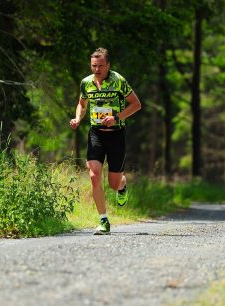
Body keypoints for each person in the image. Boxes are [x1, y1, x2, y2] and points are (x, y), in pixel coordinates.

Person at [70, 47, 141, 235]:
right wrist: (78, 118)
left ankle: (122, 184)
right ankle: (103, 221)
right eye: (94, 65)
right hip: (96, 134)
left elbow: (136, 104)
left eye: (101, 65)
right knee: (94, 176)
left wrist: (117, 117)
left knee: (113, 183)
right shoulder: (86, 83)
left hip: (116, 134)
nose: (97, 69)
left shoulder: (118, 81)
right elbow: (81, 104)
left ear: (108, 65)